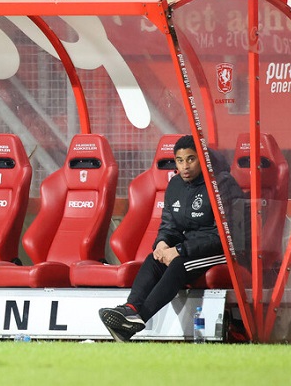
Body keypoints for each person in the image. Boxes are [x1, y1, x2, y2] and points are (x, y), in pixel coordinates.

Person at [99, 135, 245, 342]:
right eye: (180, 160)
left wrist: (179, 251)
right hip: (188, 247)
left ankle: (136, 321)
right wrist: (162, 244)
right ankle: (130, 309)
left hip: (223, 251)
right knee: (153, 259)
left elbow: (226, 235)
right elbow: (170, 224)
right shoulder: (175, 184)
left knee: (179, 265)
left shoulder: (222, 184)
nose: (185, 166)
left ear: (202, 159)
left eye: (191, 159)